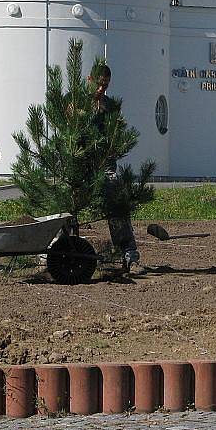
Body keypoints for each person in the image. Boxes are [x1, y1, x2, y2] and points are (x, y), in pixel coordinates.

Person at [89, 63, 141, 273]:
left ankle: (128, 252)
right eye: (99, 84)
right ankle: (51, 251)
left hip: (105, 165)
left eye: (106, 85)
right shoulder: (75, 104)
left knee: (116, 200)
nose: (102, 89)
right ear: (90, 80)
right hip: (80, 165)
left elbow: (115, 137)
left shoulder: (110, 106)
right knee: (63, 203)